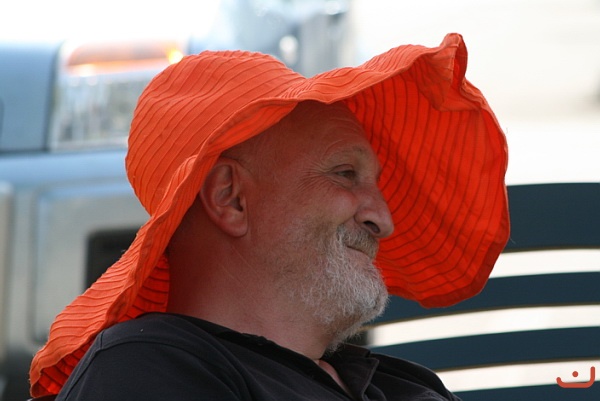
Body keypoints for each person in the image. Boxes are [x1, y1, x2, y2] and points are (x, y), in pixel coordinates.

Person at [29, 33, 509, 400]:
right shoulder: (146, 372)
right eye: (345, 174)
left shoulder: (391, 383)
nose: (384, 220)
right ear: (231, 198)